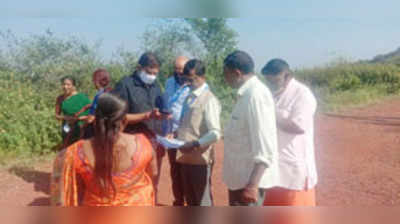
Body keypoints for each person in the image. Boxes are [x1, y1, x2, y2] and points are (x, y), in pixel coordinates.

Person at [50, 93, 157, 206]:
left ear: (95, 120)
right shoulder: (142, 144)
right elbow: (153, 174)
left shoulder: (75, 152)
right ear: (124, 121)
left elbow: (67, 189)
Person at [222, 50, 279, 206]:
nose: (225, 78)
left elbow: (265, 145)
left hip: (248, 183)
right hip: (239, 179)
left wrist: (253, 185)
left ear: (237, 73)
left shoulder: (256, 95)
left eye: (226, 73)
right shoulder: (246, 94)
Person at [261, 59, 318, 206]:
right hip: (275, 169)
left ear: (287, 76)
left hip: (294, 172)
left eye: (274, 80)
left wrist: (270, 112)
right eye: (268, 81)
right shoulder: (274, 94)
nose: (271, 84)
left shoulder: (302, 94)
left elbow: (298, 126)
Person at [111, 52, 166, 201]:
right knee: (131, 184)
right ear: (139, 67)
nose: (152, 76)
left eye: (155, 73)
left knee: (152, 181)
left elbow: (158, 108)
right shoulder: (125, 84)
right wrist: (146, 115)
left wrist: (162, 115)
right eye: (149, 72)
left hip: (153, 140)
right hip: (130, 143)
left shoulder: (155, 85)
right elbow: (117, 117)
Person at [175, 59, 222, 206]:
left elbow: (215, 133)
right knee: (190, 199)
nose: (189, 82)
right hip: (185, 157)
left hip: (200, 159)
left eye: (192, 79)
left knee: (202, 201)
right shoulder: (189, 97)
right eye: (186, 79)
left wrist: (196, 144)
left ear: (203, 78)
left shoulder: (209, 100)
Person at [162, 56, 191, 206]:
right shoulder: (168, 82)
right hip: (169, 134)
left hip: (186, 136)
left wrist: (179, 131)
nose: (178, 73)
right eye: (176, 69)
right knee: (175, 170)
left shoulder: (194, 85)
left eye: (181, 71)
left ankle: (190, 201)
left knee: (187, 171)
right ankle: (178, 201)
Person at [55, 76, 91, 148]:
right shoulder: (60, 98)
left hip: (82, 129)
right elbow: (57, 115)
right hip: (67, 129)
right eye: (64, 84)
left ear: (73, 86)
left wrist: (78, 119)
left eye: (68, 85)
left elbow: (92, 115)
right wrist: (65, 118)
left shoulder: (82, 97)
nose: (65, 87)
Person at [77, 69, 113, 139]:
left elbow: (92, 118)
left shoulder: (99, 95)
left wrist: (82, 119)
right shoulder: (109, 92)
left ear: (97, 81)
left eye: (93, 80)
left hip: (94, 128)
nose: (93, 82)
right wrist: (85, 108)